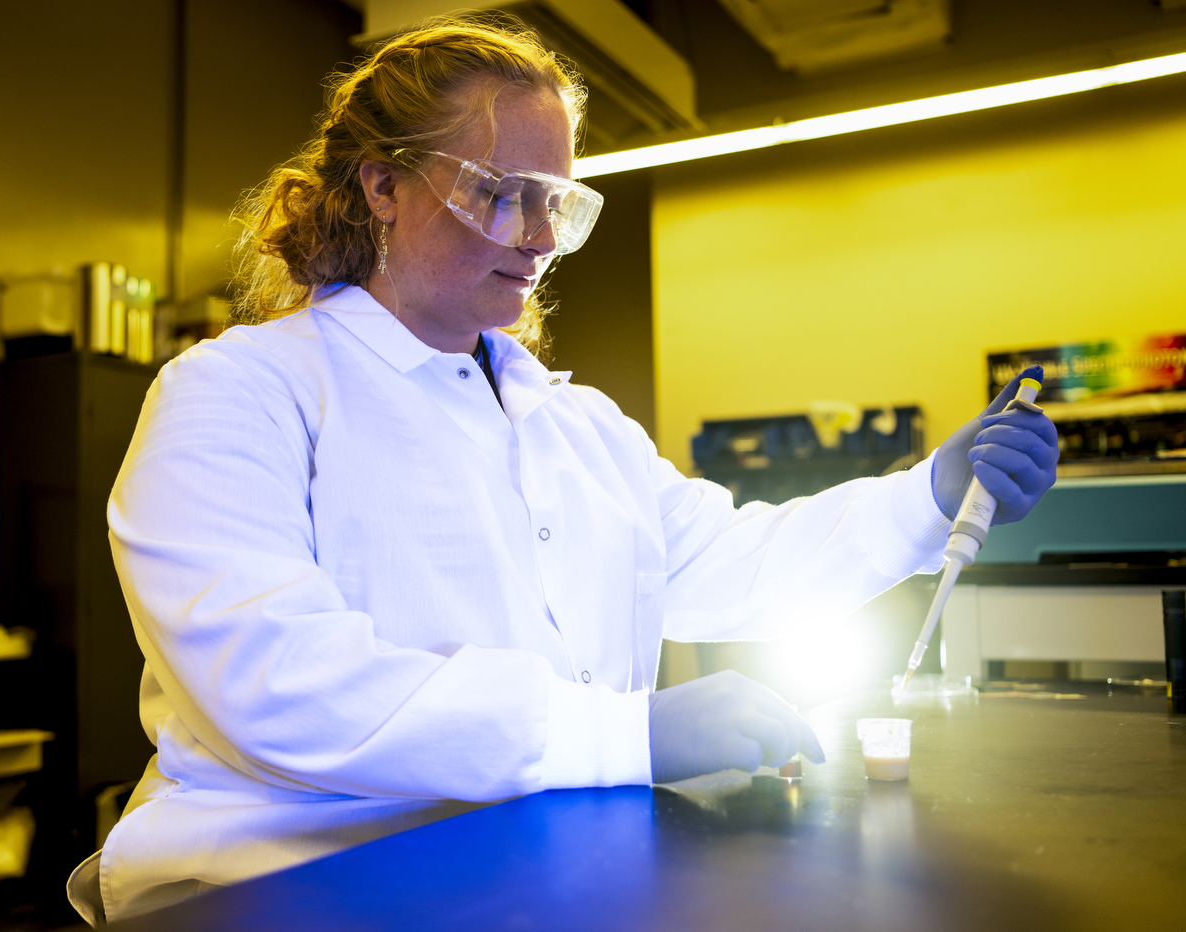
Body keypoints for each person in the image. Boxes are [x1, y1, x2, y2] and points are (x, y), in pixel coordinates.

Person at [71, 16, 1059, 923]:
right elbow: (272, 676)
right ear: (382, 185)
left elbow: (724, 560)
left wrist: (925, 495)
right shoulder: (238, 392)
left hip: (547, 873)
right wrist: (620, 737)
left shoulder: (573, 420)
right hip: (288, 889)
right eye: (499, 194)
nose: (539, 238)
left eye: (555, 201)